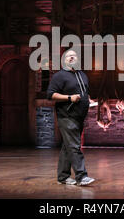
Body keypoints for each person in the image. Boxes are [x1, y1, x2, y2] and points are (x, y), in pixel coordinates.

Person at [46, 50, 96, 186]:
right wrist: (69, 98)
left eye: (75, 55)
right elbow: (50, 95)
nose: (72, 57)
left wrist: (88, 100)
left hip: (79, 117)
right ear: (64, 60)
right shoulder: (59, 76)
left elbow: (84, 92)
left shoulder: (82, 75)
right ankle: (82, 176)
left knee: (67, 146)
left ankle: (63, 176)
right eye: (69, 56)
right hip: (66, 116)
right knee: (74, 146)